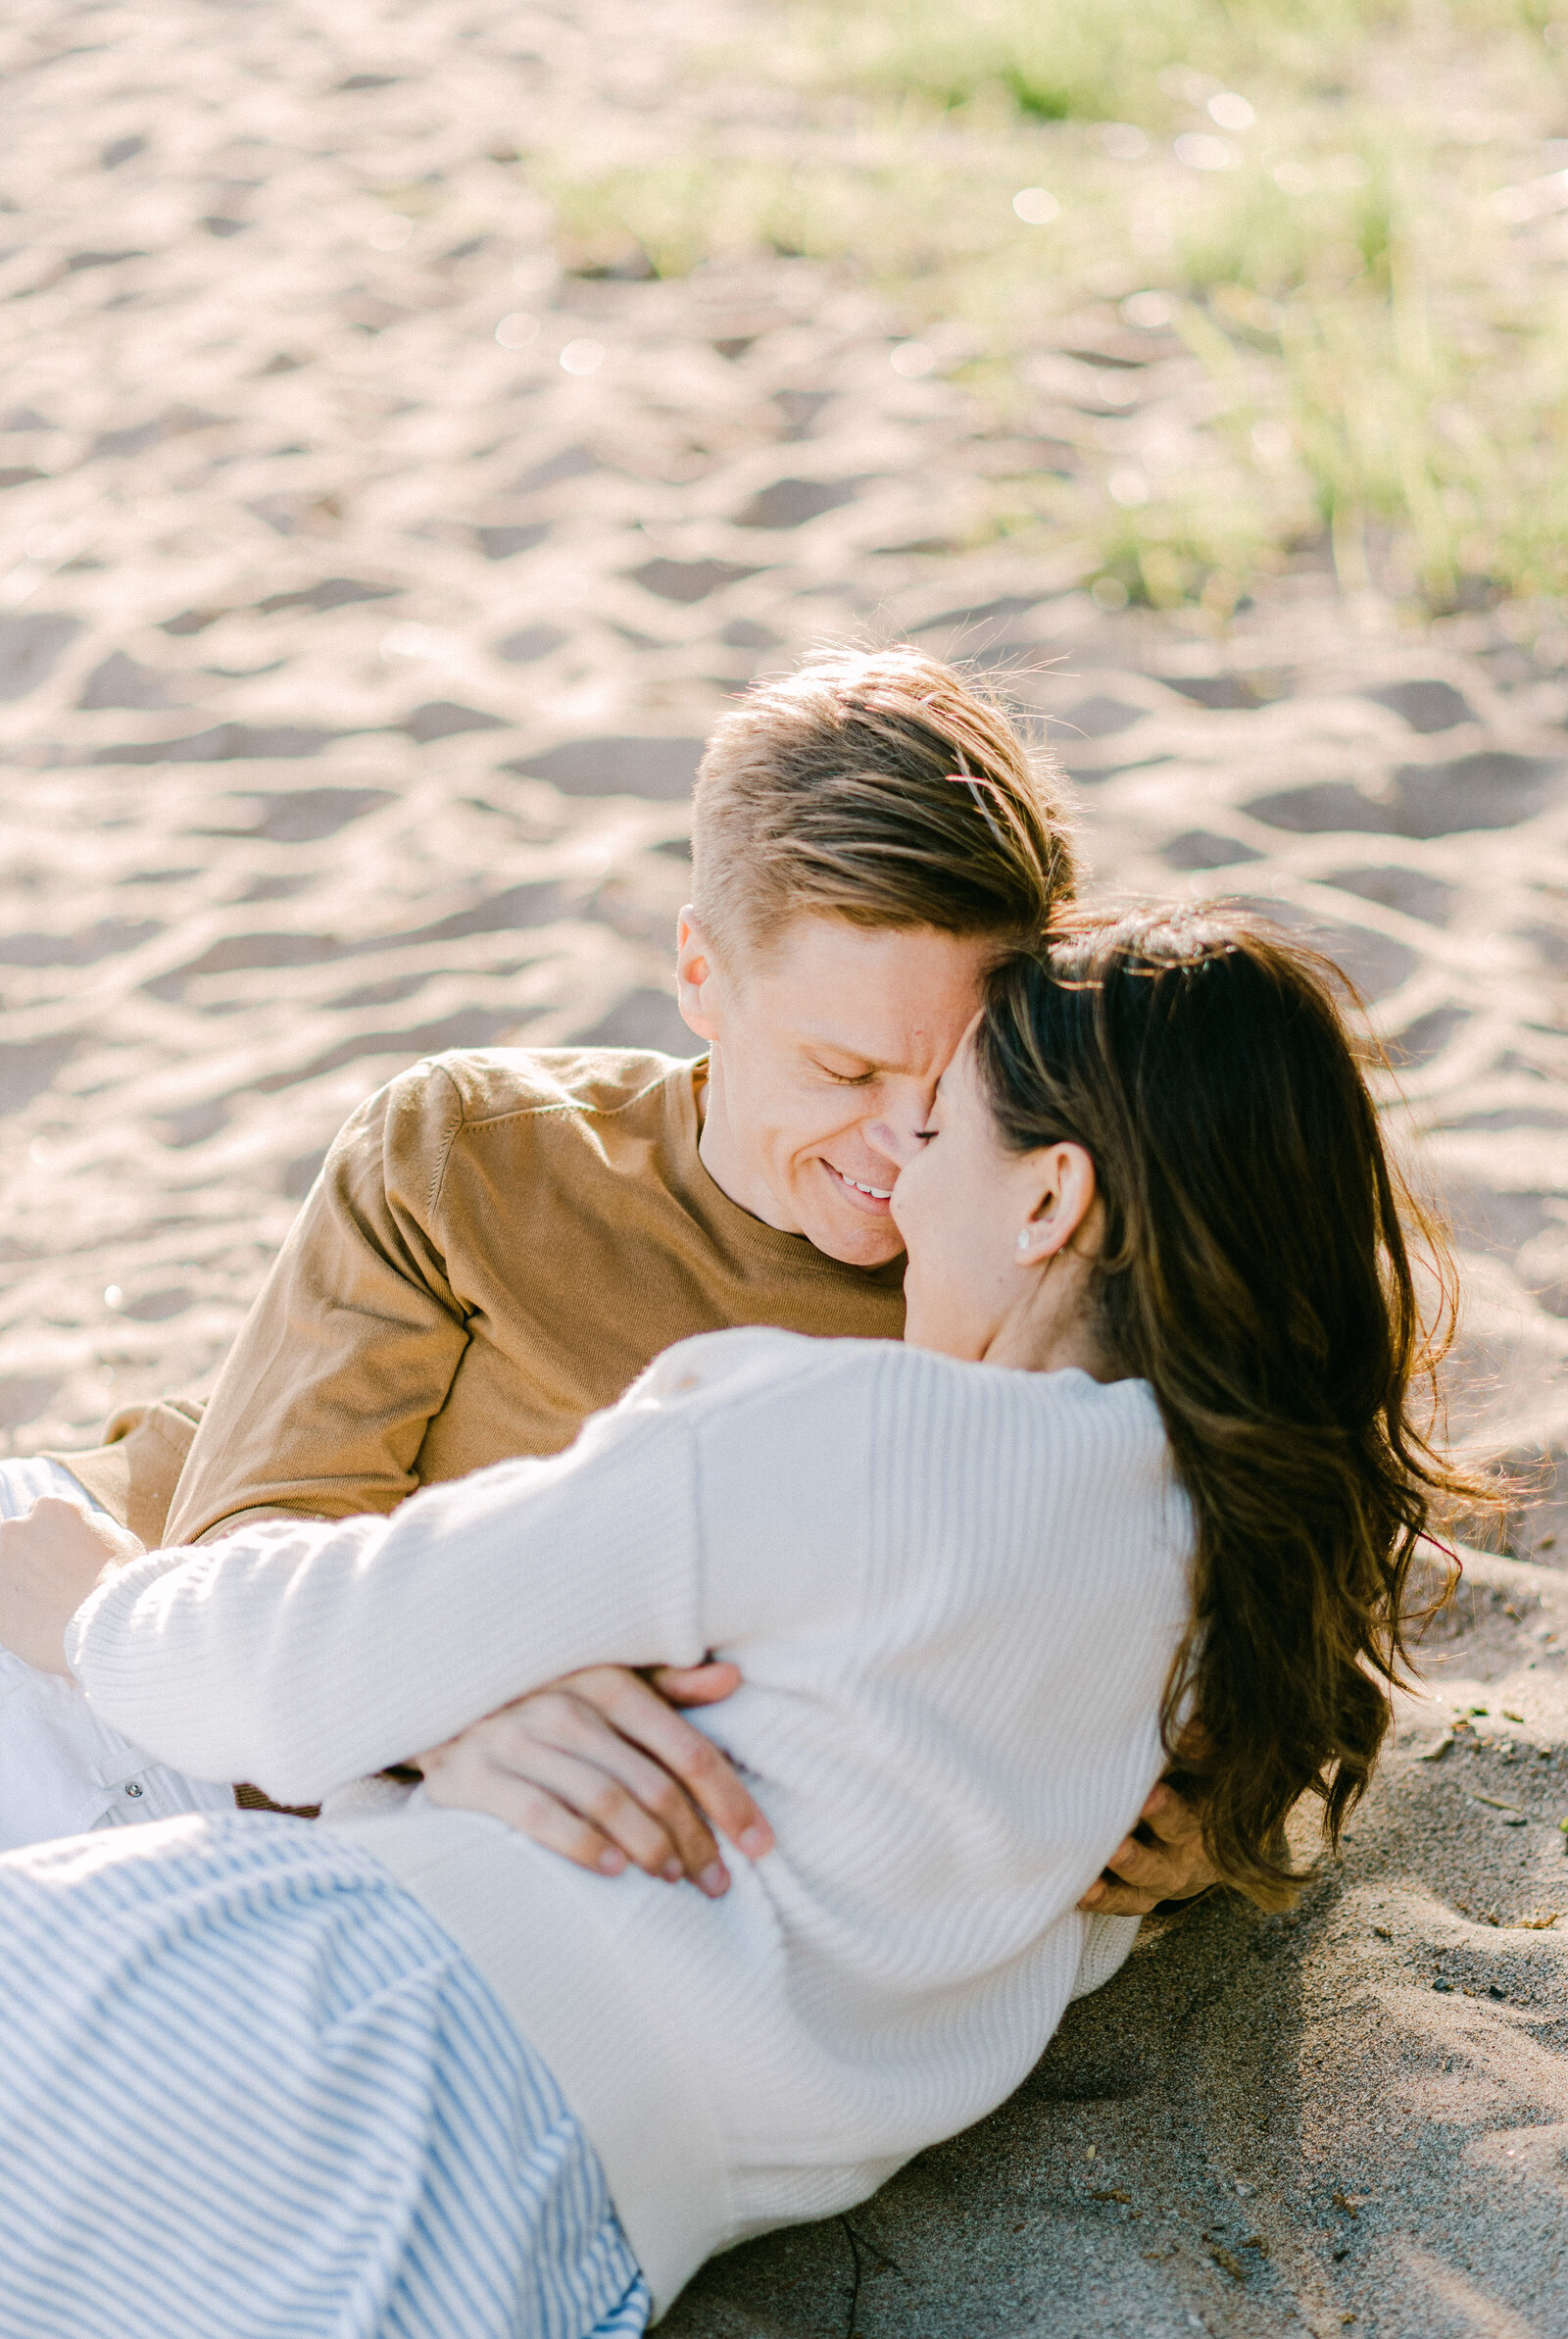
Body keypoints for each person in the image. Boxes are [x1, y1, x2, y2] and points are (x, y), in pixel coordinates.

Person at [0, 904, 1484, 2338]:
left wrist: (89, 1593)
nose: (899, 1193)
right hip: (552, 2257)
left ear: (1048, 1197)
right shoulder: (1218, 1667)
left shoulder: (854, 1435)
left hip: (307, 2024)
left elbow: (292, 1667)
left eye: (944, 1128)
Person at [0, 647, 1212, 1916]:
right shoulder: (471, 1149)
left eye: (963, 1072)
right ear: (701, 976)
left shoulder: (1029, 1257)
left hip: (365, 1830)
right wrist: (455, 1715)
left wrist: (1221, 1830)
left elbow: (1266, 1554)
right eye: (844, 1072)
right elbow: (244, 1552)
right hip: (99, 1647)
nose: (905, 1141)